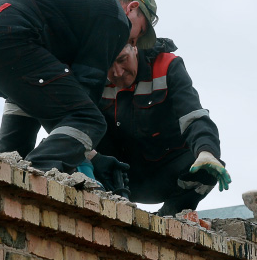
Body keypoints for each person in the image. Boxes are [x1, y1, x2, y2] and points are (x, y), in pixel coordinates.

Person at [0, 0, 157, 173]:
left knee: (31, 96)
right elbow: (85, 89)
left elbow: (45, 96)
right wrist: (87, 156)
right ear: (131, 8)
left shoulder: (74, 13)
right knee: (89, 119)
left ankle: (6, 163)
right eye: (140, 32)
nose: (132, 42)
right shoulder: (115, 16)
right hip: (2, 34)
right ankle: (36, 177)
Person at [96, 37, 230, 215]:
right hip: (117, 177)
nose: (118, 73)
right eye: (109, 65)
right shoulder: (93, 74)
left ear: (134, 48)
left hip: (165, 173)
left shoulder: (167, 66)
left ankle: (169, 218)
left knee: (207, 168)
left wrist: (206, 151)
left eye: (122, 60)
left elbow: (193, 116)